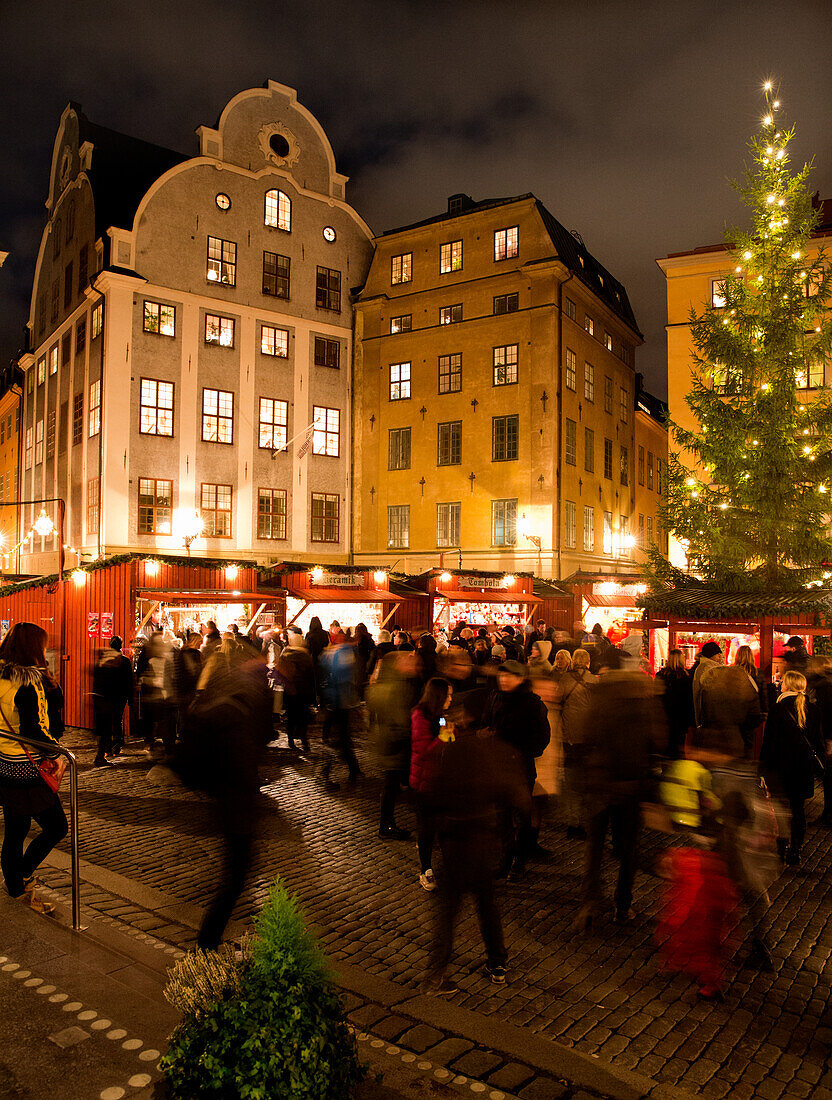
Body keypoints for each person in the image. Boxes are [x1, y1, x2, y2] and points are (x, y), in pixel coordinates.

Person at [423, 693, 530, 993]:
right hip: (481, 838)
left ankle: (437, 972)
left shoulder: (454, 750)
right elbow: (515, 794)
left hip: (456, 839)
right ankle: (497, 964)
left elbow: (435, 792)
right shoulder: (493, 751)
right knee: (487, 905)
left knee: (449, 910)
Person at [176, 647, 273, 949]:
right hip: (236, 804)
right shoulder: (232, 711)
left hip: (228, 800)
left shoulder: (209, 706)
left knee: (235, 873)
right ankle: (207, 944)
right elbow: (241, 760)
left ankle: (209, 940)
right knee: (235, 875)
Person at [575, 649, 667, 929]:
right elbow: (658, 741)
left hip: (601, 784)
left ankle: (590, 901)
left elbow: (586, 735)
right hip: (631, 786)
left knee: (595, 848)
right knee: (628, 849)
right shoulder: (645, 701)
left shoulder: (600, 698)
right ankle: (622, 905)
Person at [0, 623, 67, 915]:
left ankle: (15, 885)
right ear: (33, 647)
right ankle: (23, 875)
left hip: (4, 762)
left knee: (16, 830)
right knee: (56, 827)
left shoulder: (3, 677)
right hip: (26, 768)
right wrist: (60, 753)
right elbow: (33, 730)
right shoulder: (28, 682)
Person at [485, 660, 550, 880]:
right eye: (501, 676)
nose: (504, 680)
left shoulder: (532, 703)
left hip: (521, 769)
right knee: (502, 817)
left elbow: (542, 736)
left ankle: (519, 861)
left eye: (509, 676)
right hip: (498, 766)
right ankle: (504, 861)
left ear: (521, 678)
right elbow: (487, 722)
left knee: (522, 818)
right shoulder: (495, 697)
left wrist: (525, 751)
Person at [759, 670, 824, 865]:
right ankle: (795, 848)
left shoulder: (778, 709)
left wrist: (762, 769)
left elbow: (769, 742)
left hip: (780, 768)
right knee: (798, 809)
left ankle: (781, 845)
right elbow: (817, 742)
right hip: (802, 768)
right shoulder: (812, 710)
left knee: (780, 807)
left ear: (786, 685)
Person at [366, 651, 419, 839]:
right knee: (393, 786)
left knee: (393, 786)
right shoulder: (395, 688)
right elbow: (399, 719)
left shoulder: (385, 684)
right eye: (408, 661)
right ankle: (387, 825)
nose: (413, 665)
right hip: (395, 744)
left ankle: (387, 824)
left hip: (389, 742)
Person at [410, 678, 453, 890]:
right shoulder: (420, 716)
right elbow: (424, 749)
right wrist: (444, 738)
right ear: (439, 696)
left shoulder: (441, 716)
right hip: (424, 781)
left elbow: (446, 740)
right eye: (449, 695)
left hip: (442, 780)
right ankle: (426, 869)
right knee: (426, 828)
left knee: (443, 825)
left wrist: (451, 736)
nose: (451, 700)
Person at [558, 648, 598, 839]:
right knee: (587, 781)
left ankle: (573, 821)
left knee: (572, 781)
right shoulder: (595, 681)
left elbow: (557, 701)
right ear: (588, 662)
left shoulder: (565, 680)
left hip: (570, 737)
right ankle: (585, 821)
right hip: (589, 737)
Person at [318, 636, 361, 790]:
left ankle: (329, 771)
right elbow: (345, 679)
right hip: (340, 702)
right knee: (340, 737)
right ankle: (351, 768)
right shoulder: (345, 653)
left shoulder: (336, 653)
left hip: (337, 702)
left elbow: (336, 677)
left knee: (337, 738)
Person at [92, 636, 134, 764]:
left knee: (105, 723)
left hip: (103, 696)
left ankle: (105, 749)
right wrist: (131, 699)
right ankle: (116, 746)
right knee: (117, 721)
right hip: (118, 696)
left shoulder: (103, 659)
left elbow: (96, 679)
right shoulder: (124, 661)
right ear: (120, 646)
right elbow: (129, 681)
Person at [275, 627, 315, 752]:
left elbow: (279, 670)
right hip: (303, 691)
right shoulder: (306, 655)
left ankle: (291, 739)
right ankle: (304, 740)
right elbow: (311, 675)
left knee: (291, 716)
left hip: (291, 691)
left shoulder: (286, 653)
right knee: (302, 716)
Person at [656, 649, 693, 759]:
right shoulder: (685, 677)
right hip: (680, 718)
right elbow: (688, 700)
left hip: (664, 717)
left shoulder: (661, 675)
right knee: (678, 747)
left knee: (665, 747)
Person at [691, 641, 723, 727]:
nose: (720, 656)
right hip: (709, 713)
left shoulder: (705, 666)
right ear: (710, 655)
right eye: (717, 654)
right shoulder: (708, 668)